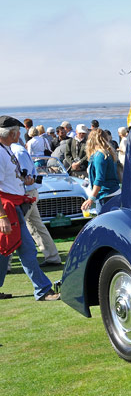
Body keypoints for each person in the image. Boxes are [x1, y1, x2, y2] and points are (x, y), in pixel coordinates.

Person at [0, 117, 59, 301]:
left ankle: (42, 289)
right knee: (25, 249)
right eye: (17, 131)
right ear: (11, 133)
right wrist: (2, 216)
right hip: (7, 208)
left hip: (13, 206)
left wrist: (24, 181)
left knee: (5, 251)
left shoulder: (6, 150)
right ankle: (42, 289)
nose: (20, 134)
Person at [10, 128, 61, 266]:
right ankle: (52, 257)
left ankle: (6, 263)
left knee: (14, 226)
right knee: (36, 227)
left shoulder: (17, 151)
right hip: (26, 194)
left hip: (25, 194)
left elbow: (27, 177)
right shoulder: (13, 150)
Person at [81, 128, 120, 215]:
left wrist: (91, 198)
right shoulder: (108, 153)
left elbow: (99, 178)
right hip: (113, 192)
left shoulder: (100, 155)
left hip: (106, 195)